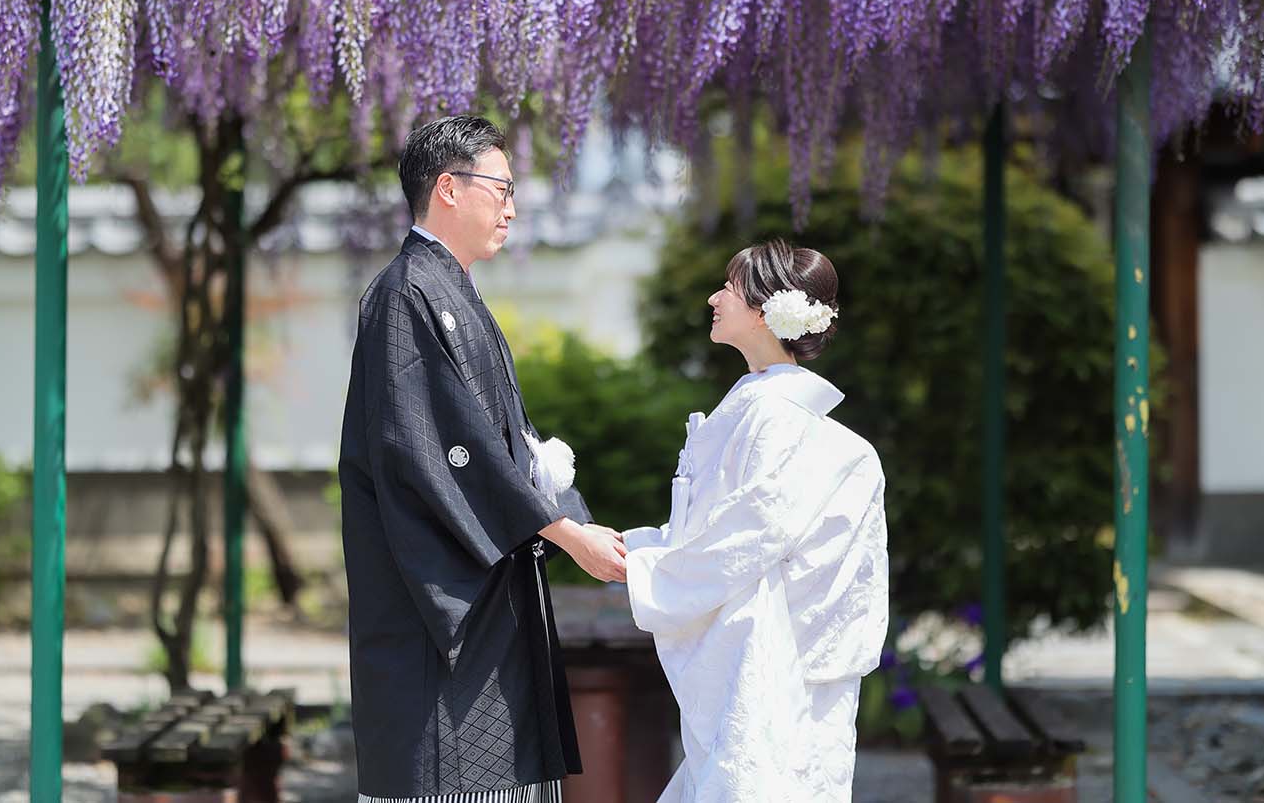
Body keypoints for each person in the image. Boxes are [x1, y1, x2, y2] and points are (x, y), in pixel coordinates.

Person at [339, 114, 628, 803]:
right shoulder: (407, 293)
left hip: (488, 609)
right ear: (447, 187)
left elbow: (509, 446)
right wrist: (564, 533)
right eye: (500, 188)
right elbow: (441, 449)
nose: (512, 206)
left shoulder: (449, 291)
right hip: (439, 627)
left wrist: (568, 517)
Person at [623, 238, 889, 803]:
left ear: (768, 309)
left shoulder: (776, 414)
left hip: (775, 662)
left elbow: (748, 534)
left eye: (730, 287)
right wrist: (637, 548)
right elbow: (714, 528)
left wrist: (644, 566)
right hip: (770, 656)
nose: (715, 298)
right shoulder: (764, 405)